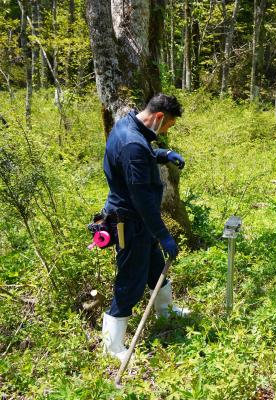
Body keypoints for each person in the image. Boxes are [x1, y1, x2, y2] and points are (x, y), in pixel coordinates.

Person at [101, 93, 189, 362]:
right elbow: (141, 198)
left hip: (141, 223)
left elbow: (140, 156)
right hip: (131, 221)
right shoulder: (132, 144)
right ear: (159, 117)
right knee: (130, 280)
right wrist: (163, 234)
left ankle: (166, 310)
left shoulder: (129, 124)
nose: (165, 131)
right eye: (168, 126)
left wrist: (162, 154)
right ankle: (112, 347)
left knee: (154, 266)